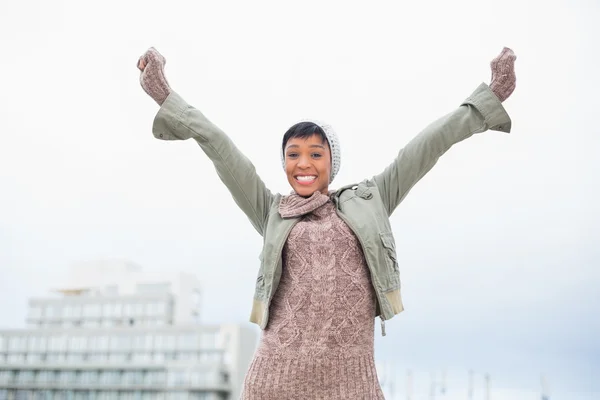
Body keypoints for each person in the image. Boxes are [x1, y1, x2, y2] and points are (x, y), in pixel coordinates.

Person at [137, 46, 516, 400]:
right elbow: (219, 147)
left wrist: (489, 96)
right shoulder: (272, 211)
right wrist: (165, 96)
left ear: (331, 162)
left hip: (351, 382)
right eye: (293, 154)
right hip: (273, 379)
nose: (303, 163)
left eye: (315, 153)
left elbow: (428, 145)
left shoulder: (372, 200)